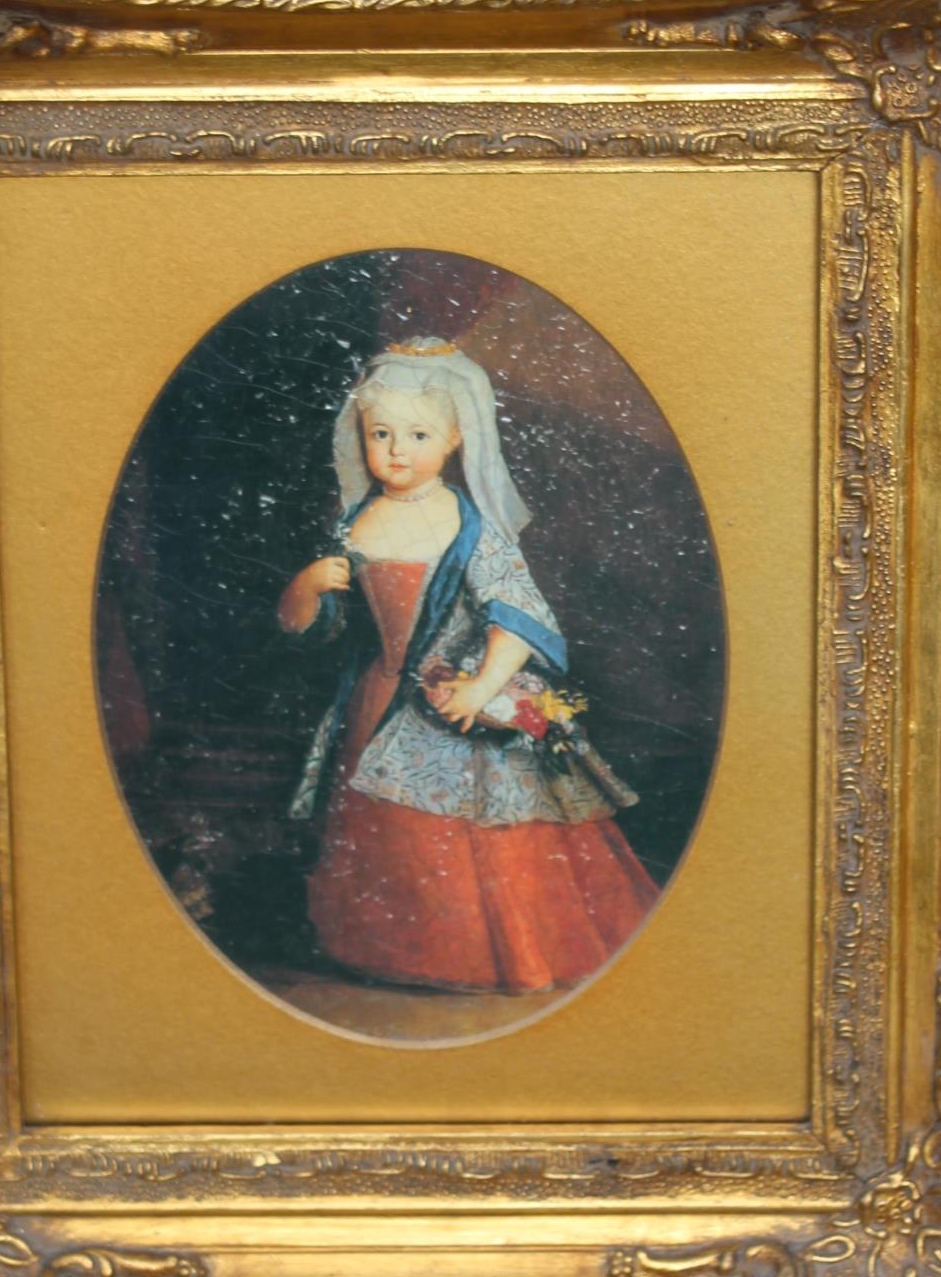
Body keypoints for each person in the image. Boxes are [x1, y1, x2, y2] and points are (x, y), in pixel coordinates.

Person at [276, 338, 657, 996]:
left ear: (454, 439)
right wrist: (305, 587)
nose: (397, 450)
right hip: (376, 698)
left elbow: (520, 614)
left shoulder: (469, 525)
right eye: (380, 434)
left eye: (418, 434)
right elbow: (312, 629)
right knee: (389, 838)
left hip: (453, 698)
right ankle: (388, 951)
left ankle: (477, 960)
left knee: (474, 838)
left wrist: (482, 687)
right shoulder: (356, 521)